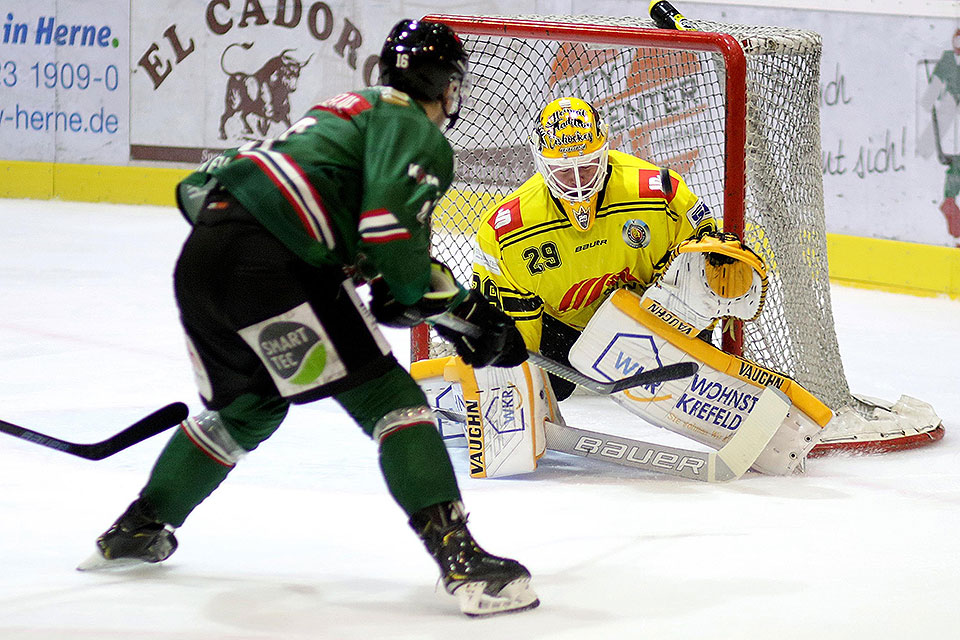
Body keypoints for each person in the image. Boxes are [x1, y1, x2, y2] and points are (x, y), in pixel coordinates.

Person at [79, 19, 538, 618]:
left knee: (247, 408)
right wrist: (421, 298)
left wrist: (454, 311)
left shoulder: (339, 115)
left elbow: (199, 191)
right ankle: (462, 562)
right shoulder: (412, 127)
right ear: (448, 86)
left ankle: (137, 528)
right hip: (275, 269)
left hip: (203, 261)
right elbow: (389, 235)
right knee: (392, 400)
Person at [471, 96, 717, 401]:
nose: (577, 182)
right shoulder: (506, 230)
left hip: (648, 321)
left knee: (695, 368)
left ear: (605, 149)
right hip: (565, 332)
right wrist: (515, 387)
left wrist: (716, 277)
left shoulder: (657, 193)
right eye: (563, 171)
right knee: (541, 383)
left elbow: (706, 266)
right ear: (541, 162)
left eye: (586, 167)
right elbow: (510, 318)